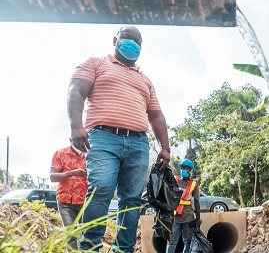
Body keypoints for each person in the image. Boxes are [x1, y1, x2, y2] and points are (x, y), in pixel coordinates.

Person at [67, 25, 171, 252]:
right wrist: (76, 126)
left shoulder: (145, 80)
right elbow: (76, 90)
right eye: (128, 38)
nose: (132, 43)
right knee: (101, 188)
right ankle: (89, 247)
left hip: (138, 143)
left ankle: (123, 249)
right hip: (103, 138)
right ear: (115, 39)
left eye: (137, 41)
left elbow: (155, 114)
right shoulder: (95, 63)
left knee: (132, 199)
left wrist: (165, 147)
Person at [49, 140, 88, 250]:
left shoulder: (91, 156)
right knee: (70, 235)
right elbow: (52, 177)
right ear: (71, 139)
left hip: (85, 201)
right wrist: (72, 172)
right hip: (65, 201)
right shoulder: (60, 153)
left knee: (87, 234)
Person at [166, 159, 201, 253]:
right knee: (171, 241)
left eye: (185, 168)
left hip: (188, 217)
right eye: (181, 168)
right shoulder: (174, 180)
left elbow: (197, 202)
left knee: (188, 242)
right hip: (175, 216)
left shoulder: (194, 185)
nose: (182, 170)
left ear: (190, 170)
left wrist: (198, 219)